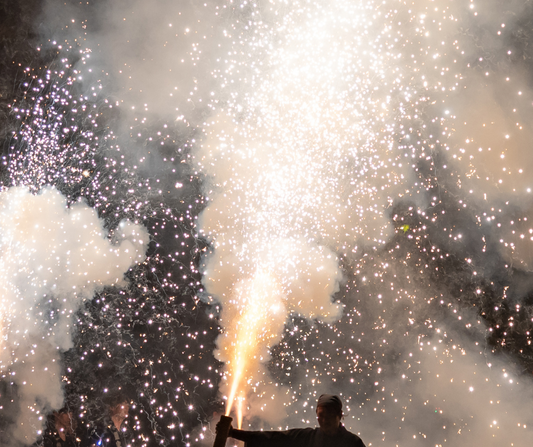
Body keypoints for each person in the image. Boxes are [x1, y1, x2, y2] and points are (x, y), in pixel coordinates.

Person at [219, 394, 366, 447]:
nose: (324, 420)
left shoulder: (353, 444)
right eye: (321, 415)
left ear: (339, 415)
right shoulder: (307, 437)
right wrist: (233, 433)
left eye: (329, 415)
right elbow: (273, 438)